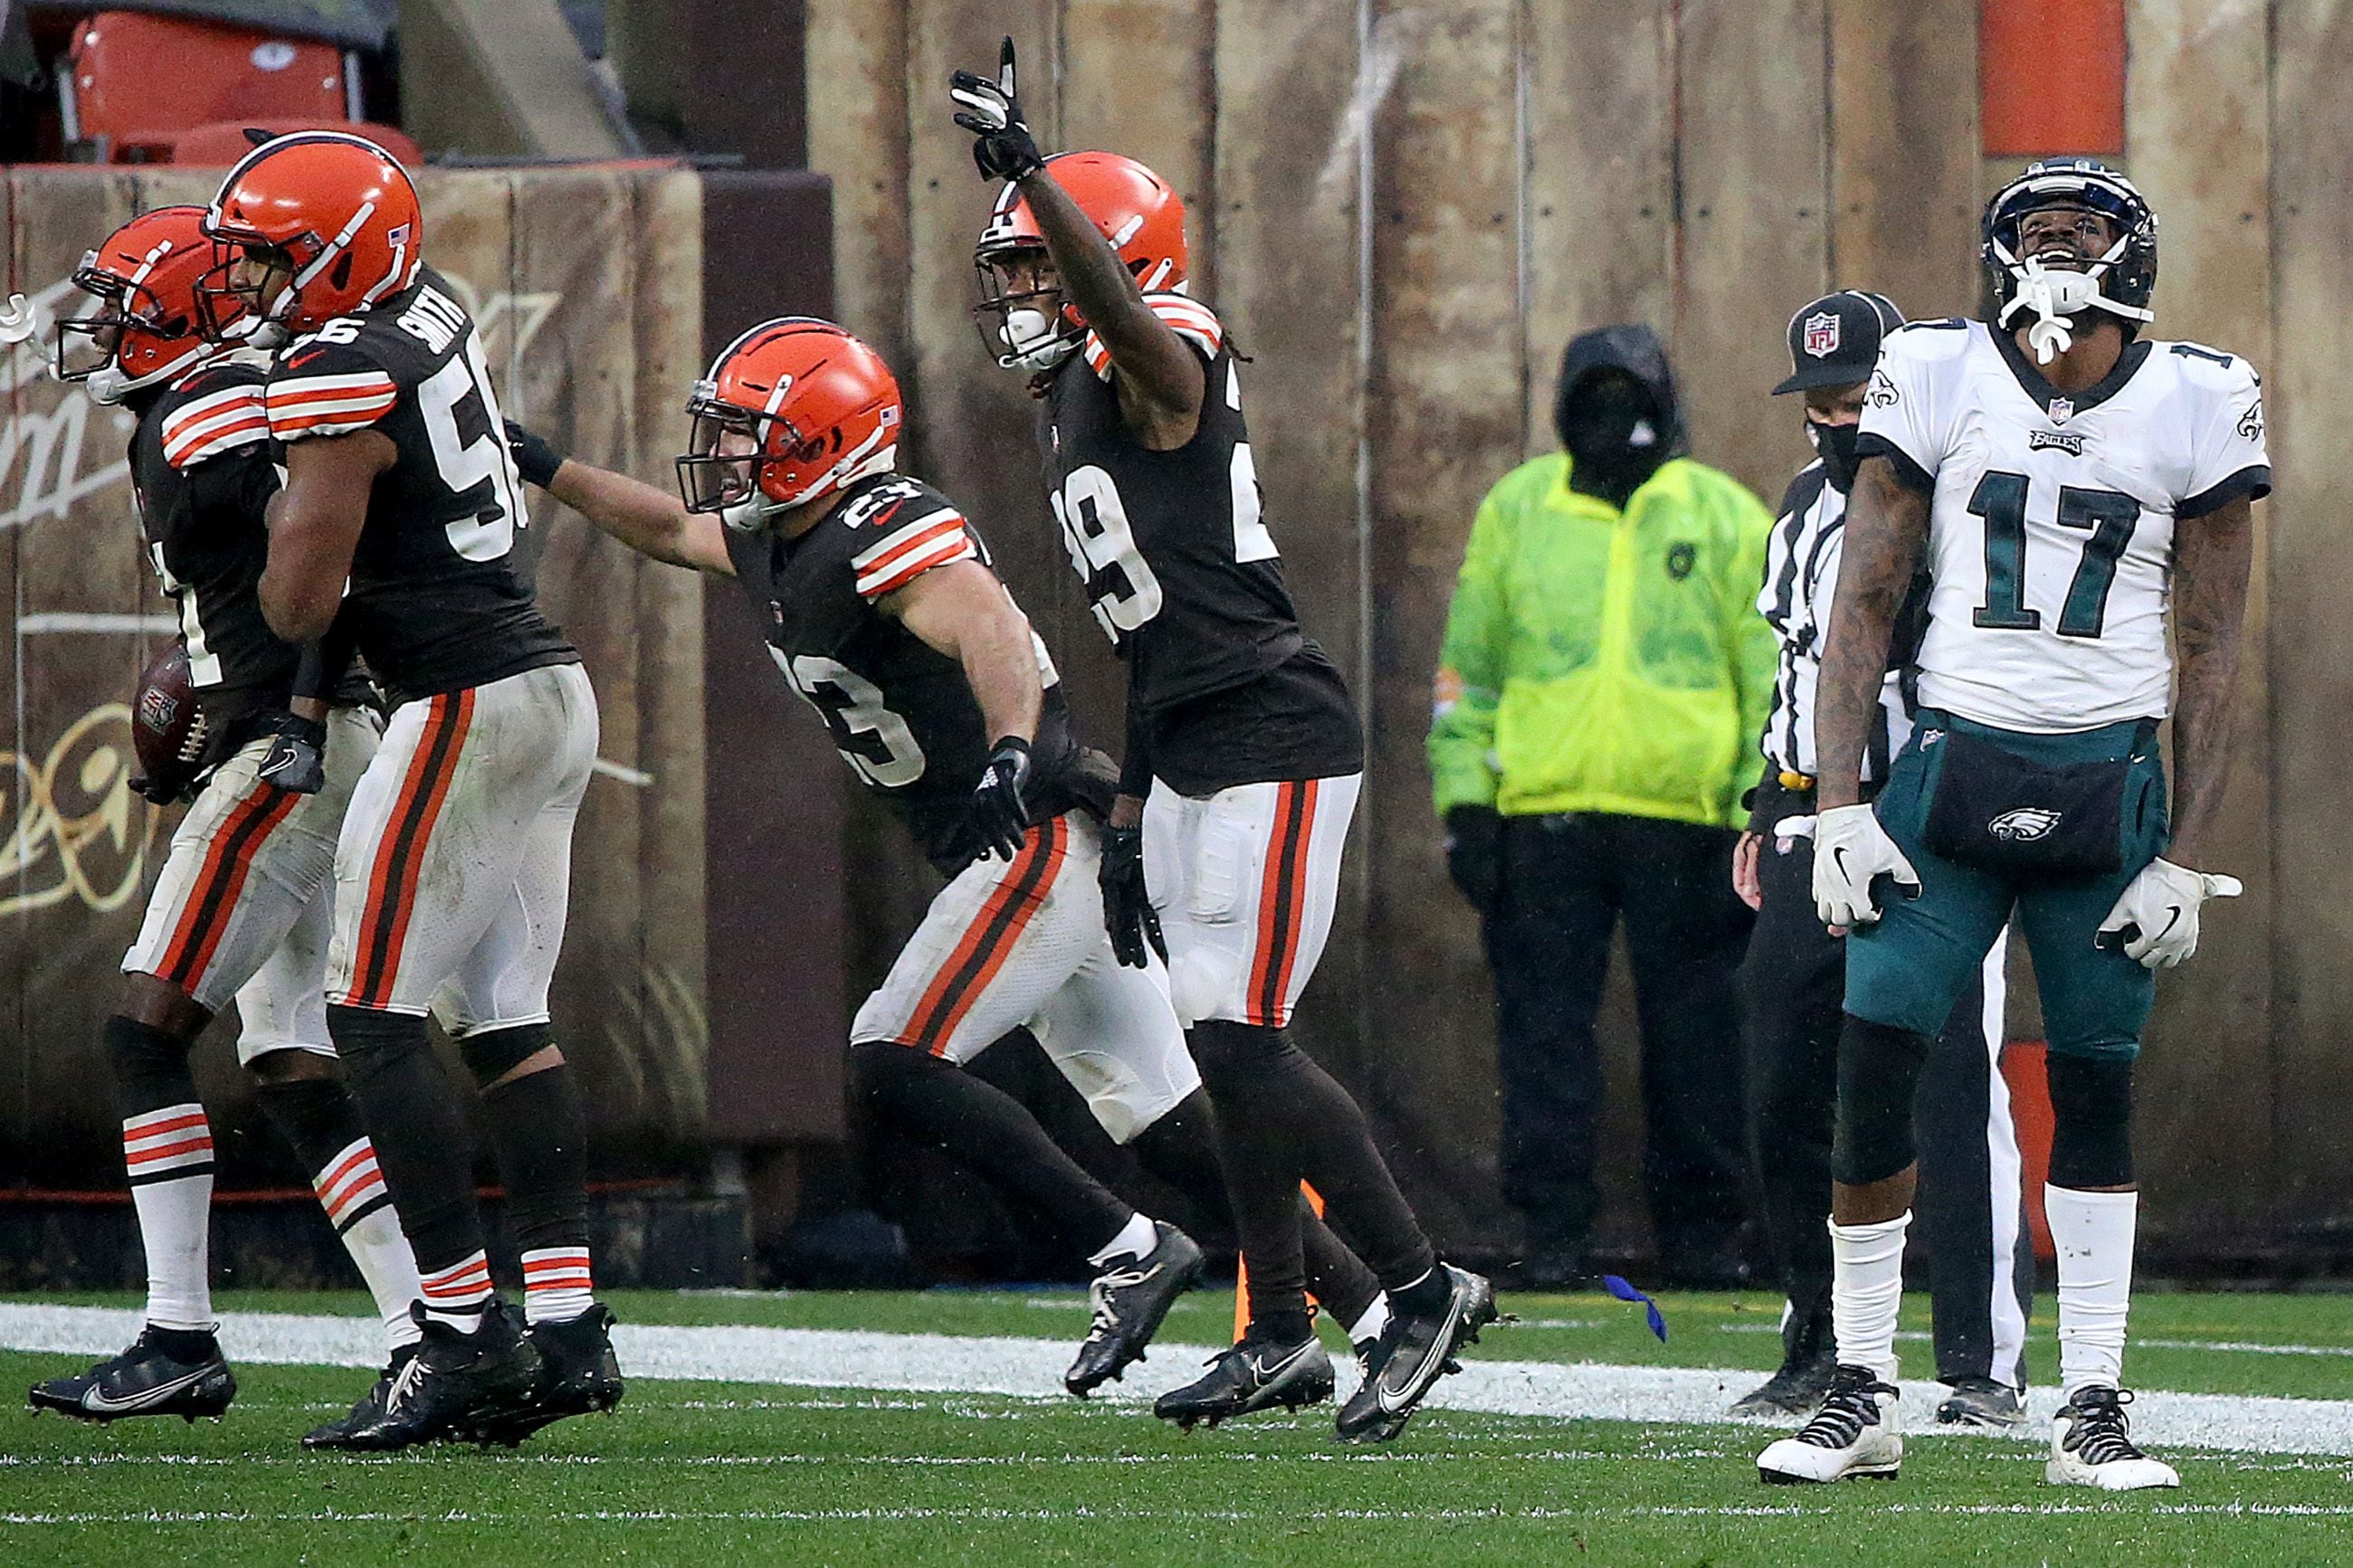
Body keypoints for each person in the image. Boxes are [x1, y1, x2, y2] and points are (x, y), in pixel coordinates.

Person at [508, 318, 1385, 1401]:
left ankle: (1126, 1248)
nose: (727, 455)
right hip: (1029, 849)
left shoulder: (883, 525)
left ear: (826, 440)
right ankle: (1381, 1309)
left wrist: (1010, 745)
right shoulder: (778, 531)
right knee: (1176, 1129)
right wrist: (544, 464)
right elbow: (665, 528)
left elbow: (993, 634)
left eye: (750, 434)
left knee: (894, 1052)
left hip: (1029, 836)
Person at [953, 39, 1493, 1443]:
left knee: (1240, 1033)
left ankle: (1423, 1286)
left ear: (1099, 262)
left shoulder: (1164, 344)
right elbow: (1155, 632)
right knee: (1217, 1041)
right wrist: (1131, 809)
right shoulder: (1077, 394)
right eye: (1010, 269)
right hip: (1195, 735)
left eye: (1033, 266)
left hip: (1277, 729)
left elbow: (1134, 322)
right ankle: (1274, 1329)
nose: (1015, 292)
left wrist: (1036, 174)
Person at [1758, 158, 2264, 1489]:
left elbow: (2212, 646)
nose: (2054, 242)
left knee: (2095, 1090)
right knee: (1874, 1069)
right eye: (2033, 224)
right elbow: (1861, 599)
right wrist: (1843, 799)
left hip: (2108, 782)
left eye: (2081, 225)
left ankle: (2092, 1401)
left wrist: (2188, 853)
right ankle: (1861, 1387)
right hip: (1950, 773)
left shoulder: (2200, 395)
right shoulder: (1934, 367)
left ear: (2133, 257)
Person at [199, 131, 620, 1449]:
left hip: (462, 704)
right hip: (549, 689)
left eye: (271, 253)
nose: (254, 278)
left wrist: (258, 510)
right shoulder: (424, 309)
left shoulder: (332, 367)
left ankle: (460, 1335)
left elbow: (301, 595)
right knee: (501, 1016)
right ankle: (566, 1326)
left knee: (369, 1017)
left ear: (336, 252)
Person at [24, 206, 424, 1449]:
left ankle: (179, 1336)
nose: (105, 332)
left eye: (132, 307)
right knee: (289, 1059)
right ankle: (432, 1330)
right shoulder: (198, 407)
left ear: (192, 316)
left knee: (146, 1031)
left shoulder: (211, 413)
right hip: (296, 733)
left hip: (292, 750)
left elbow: (326, 577)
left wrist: (286, 705)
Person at [1731, 290, 2033, 1427]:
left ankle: (1977, 1359)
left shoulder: (1964, 492)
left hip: (1931, 810)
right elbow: (1794, 666)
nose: (1840, 422)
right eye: (1822, 403)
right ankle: (1818, 1325)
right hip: (1814, 815)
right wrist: (1767, 803)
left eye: (1860, 400)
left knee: (1949, 1083)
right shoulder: (1805, 502)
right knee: (1785, 1071)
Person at [1430, 321, 1775, 1288]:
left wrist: (1759, 811)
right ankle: (1550, 1234)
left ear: (1666, 406)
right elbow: (1470, 671)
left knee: (1698, 1042)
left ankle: (1704, 1236)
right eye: (1593, 400)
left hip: (1690, 821)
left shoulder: (1722, 515)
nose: (1611, 418)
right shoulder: (1518, 510)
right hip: (1542, 817)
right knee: (1541, 1037)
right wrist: (1467, 806)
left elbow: (1766, 676)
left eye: (1630, 398)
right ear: (1561, 411)